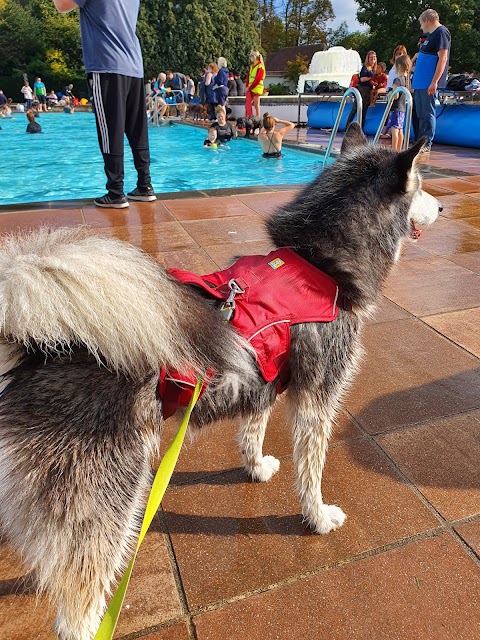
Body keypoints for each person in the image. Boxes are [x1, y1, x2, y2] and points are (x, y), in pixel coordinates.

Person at [53, 0, 156, 209]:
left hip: (106, 65)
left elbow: (61, 6)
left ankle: (115, 192)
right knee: (137, 129)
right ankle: (145, 186)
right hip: (134, 66)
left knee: (110, 130)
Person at [411, 9, 451, 153]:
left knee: (427, 113)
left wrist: (434, 81)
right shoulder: (431, 36)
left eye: (421, 23)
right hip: (421, 83)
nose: (421, 26)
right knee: (421, 114)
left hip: (428, 82)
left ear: (427, 20)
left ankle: (426, 142)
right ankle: (420, 140)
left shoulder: (441, 32)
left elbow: (443, 58)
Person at [384, 55, 411, 151]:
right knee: (400, 129)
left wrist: (390, 93)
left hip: (395, 108)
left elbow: (396, 96)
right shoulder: (406, 80)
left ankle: (394, 150)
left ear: (399, 66)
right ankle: (399, 150)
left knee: (394, 129)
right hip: (403, 108)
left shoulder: (397, 80)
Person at [345, 50, 377, 130]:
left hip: (369, 90)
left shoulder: (375, 69)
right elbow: (362, 79)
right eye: (371, 58)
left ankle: (360, 129)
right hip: (362, 89)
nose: (372, 59)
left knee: (364, 110)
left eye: (374, 57)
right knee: (356, 108)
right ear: (368, 58)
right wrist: (371, 78)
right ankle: (347, 127)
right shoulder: (365, 67)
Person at [245, 50, 265, 117]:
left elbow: (257, 79)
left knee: (256, 106)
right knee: (248, 106)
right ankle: (247, 118)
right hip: (251, 88)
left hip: (257, 88)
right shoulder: (252, 66)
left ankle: (257, 120)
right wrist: (247, 86)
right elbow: (248, 77)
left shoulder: (260, 66)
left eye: (251, 56)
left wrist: (249, 87)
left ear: (255, 57)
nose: (250, 58)